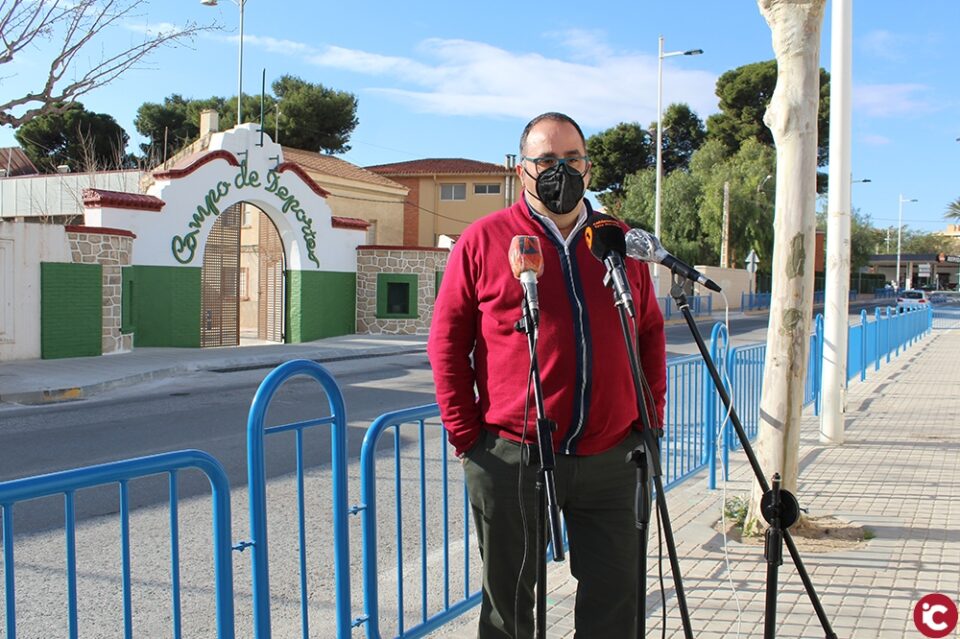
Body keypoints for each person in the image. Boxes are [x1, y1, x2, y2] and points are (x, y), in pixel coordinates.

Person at [427, 112, 667, 638]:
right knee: (509, 611)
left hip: (613, 457)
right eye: (547, 161)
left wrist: (649, 423)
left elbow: (649, 331)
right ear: (522, 171)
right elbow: (447, 343)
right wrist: (468, 439)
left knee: (617, 605)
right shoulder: (484, 240)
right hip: (513, 457)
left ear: (588, 166)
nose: (562, 171)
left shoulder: (617, 242)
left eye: (572, 159)